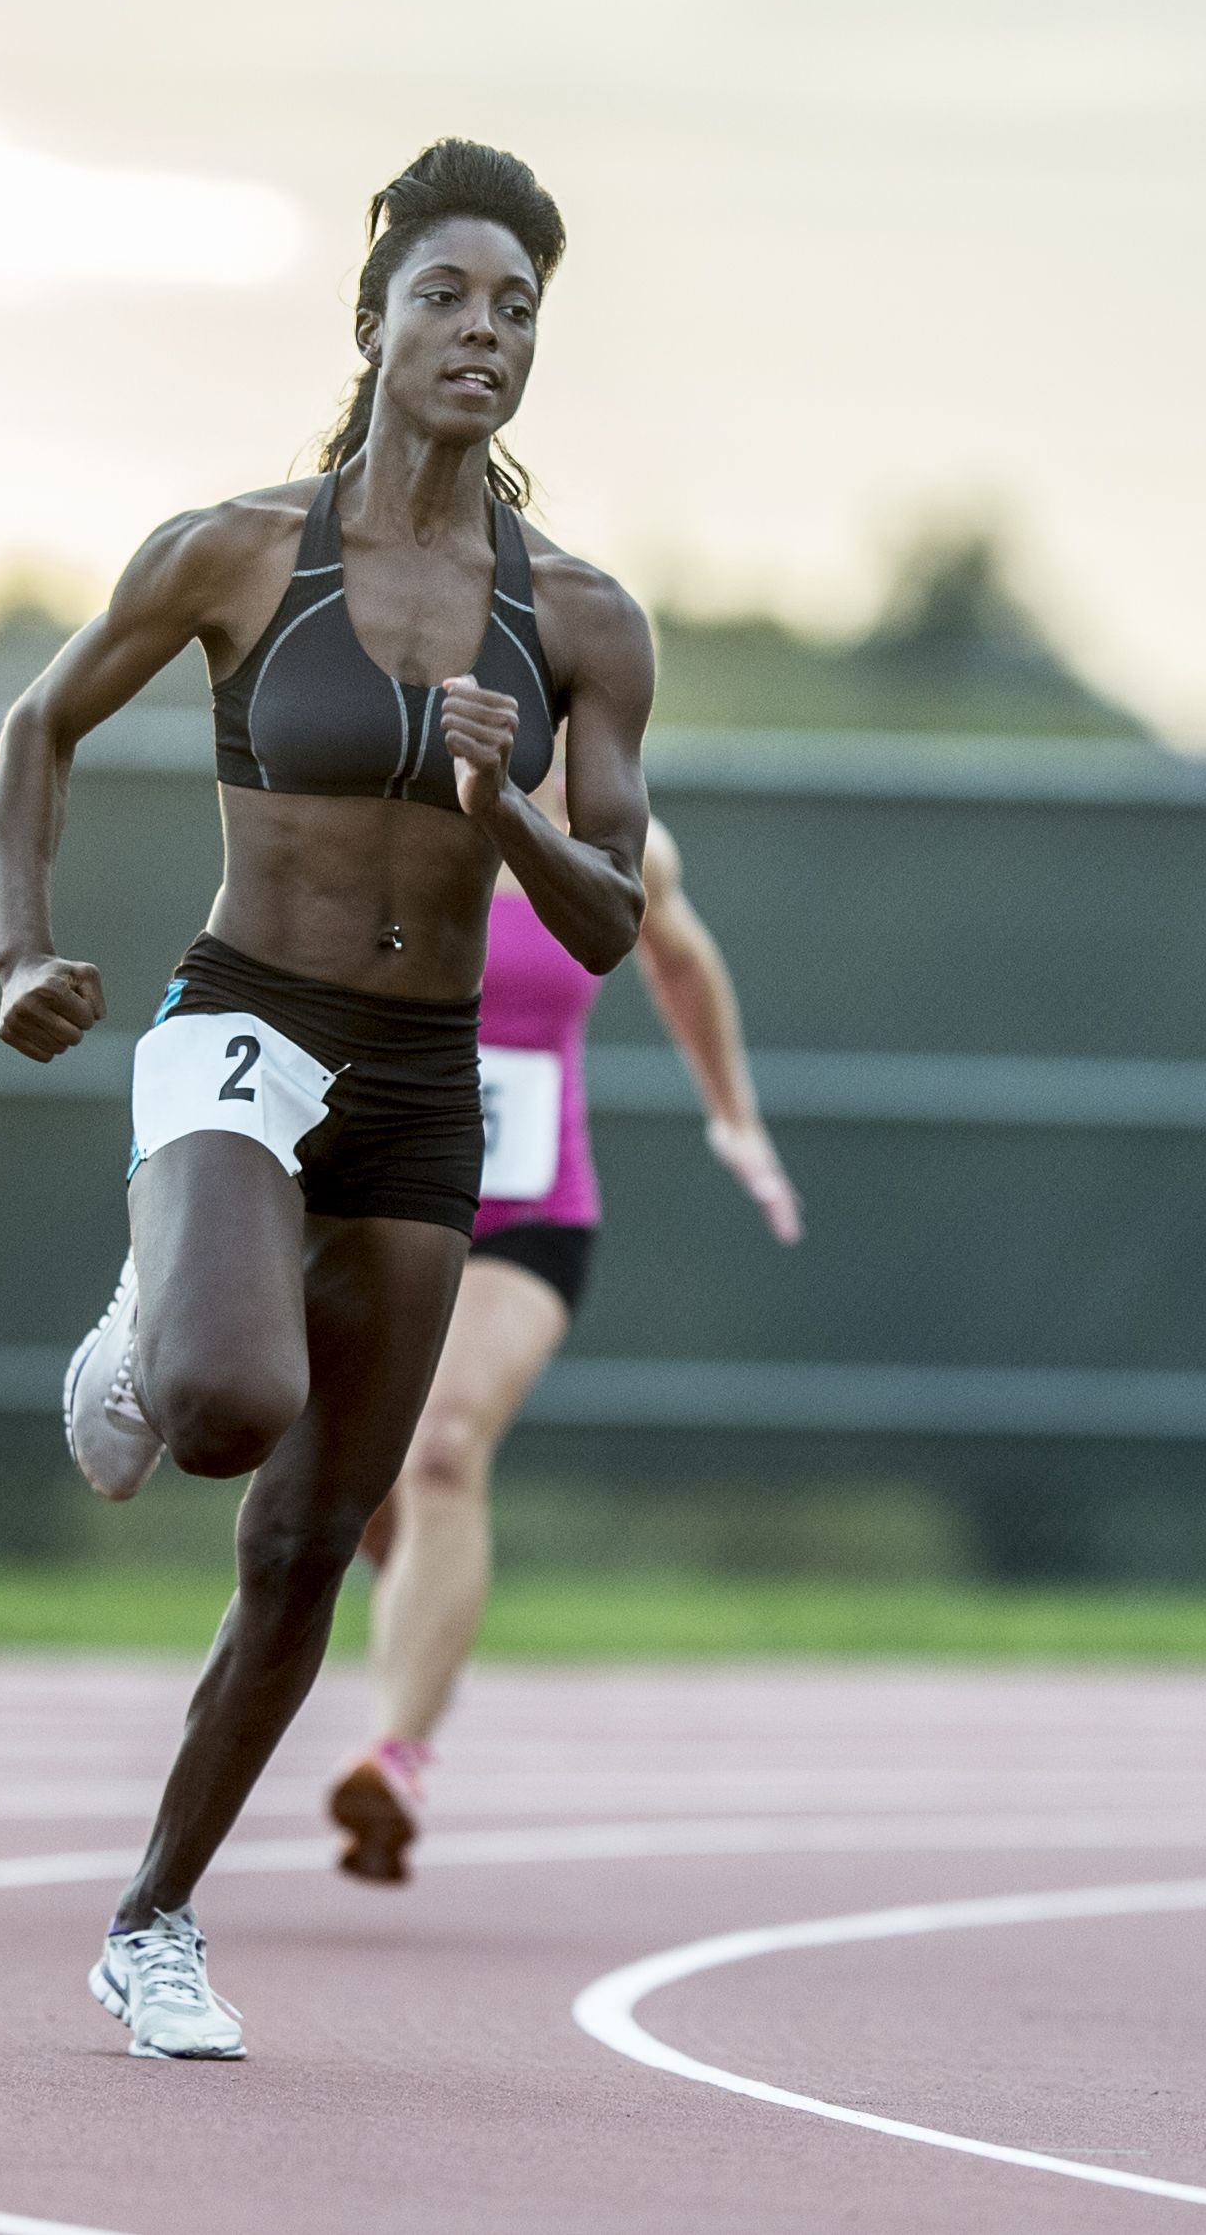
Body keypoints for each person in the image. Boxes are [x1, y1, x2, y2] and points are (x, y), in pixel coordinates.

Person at [0, 141, 655, 2058]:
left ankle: (155, 1918)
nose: (483, 333)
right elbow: (39, 725)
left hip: (424, 1085)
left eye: (516, 308)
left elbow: (608, 919)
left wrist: (504, 804)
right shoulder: (233, 548)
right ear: (372, 320)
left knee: (305, 1533)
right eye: (446, 294)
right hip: (243, 1018)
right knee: (218, 1409)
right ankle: (152, 1310)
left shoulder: (585, 619)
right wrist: (24, 948)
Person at [325, 796, 800, 1883]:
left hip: (529, 1214)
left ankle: (394, 1757)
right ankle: (415, 1600)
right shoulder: (375, 810)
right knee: (359, 1485)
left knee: (443, 1448)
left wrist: (734, 1119)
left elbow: (678, 961)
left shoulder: (618, 842)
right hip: (369, 1204)